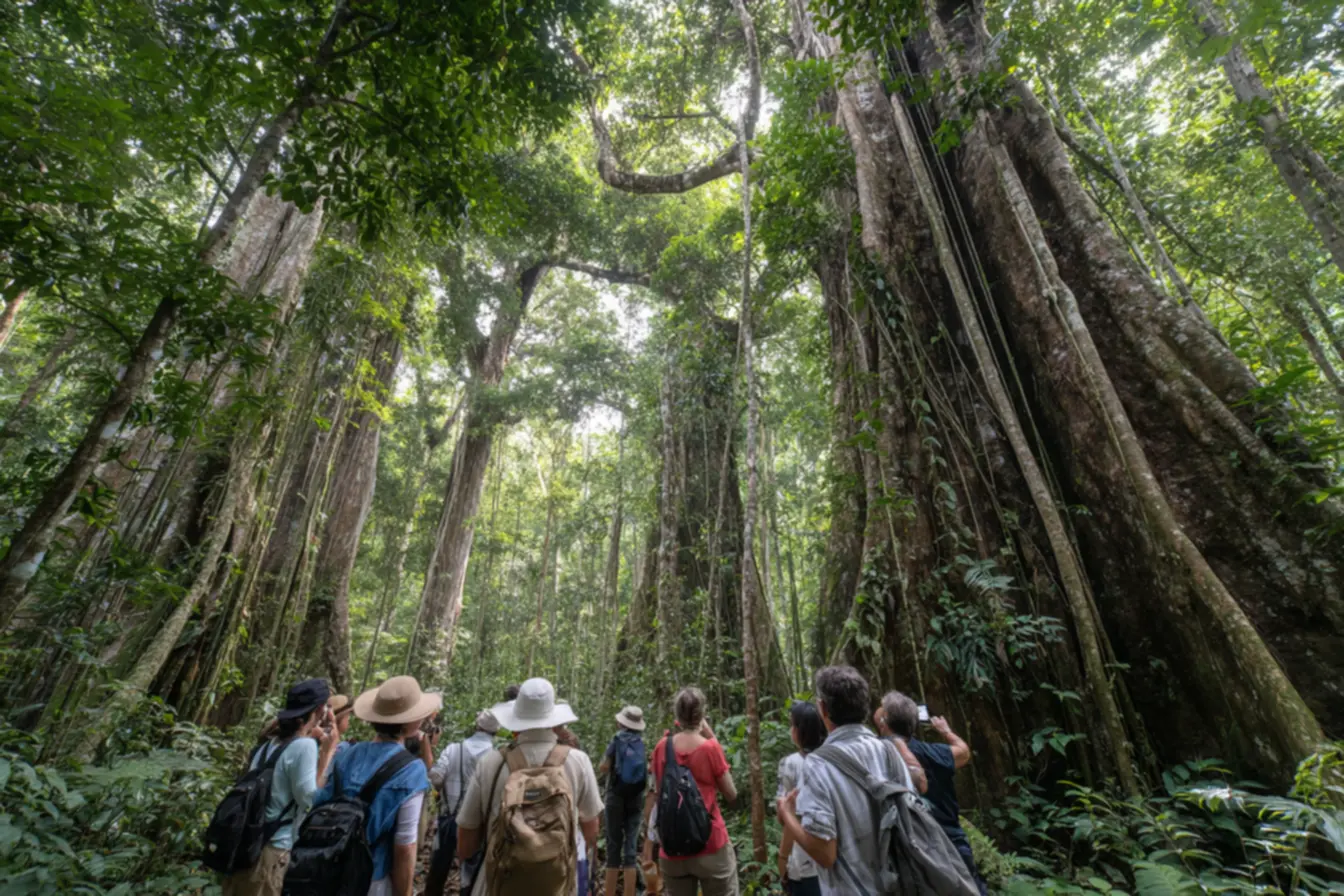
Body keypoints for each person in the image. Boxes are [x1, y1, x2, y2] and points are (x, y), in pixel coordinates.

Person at [456, 678, 603, 896]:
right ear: (554, 719)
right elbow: (591, 832)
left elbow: (465, 845)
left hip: (498, 886)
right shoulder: (578, 762)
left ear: (516, 718)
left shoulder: (491, 764)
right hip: (559, 887)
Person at [776, 665, 913, 896]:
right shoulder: (889, 751)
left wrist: (788, 814)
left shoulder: (817, 765)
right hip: (900, 886)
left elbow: (825, 854)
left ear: (823, 709)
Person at [314, 675, 440, 896]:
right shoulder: (411, 770)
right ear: (411, 722)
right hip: (371, 877)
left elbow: (318, 801)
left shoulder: (345, 752)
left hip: (326, 866)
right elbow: (405, 845)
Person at [223, 679, 338, 896]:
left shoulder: (269, 744)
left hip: (245, 845)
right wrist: (328, 752)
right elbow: (309, 800)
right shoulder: (304, 745)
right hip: (271, 850)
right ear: (318, 710)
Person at [879, 692, 987, 895]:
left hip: (917, 848)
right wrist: (946, 731)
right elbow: (963, 752)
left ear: (885, 723)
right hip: (952, 842)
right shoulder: (936, 753)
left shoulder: (881, 757)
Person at [645, 687, 738, 896]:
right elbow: (731, 794)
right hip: (710, 844)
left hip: (672, 847)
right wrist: (712, 737)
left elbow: (658, 793)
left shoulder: (662, 747)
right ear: (702, 714)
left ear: (677, 716)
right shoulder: (710, 748)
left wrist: (649, 838)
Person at [424, 711, 500, 896]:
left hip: (448, 818)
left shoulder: (453, 749)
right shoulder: (495, 757)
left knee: (439, 867)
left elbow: (436, 778)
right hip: (477, 824)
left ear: (477, 726)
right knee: (470, 872)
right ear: (496, 731)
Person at [775, 702, 825, 896]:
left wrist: (782, 857)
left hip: (805, 857)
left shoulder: (790, 764)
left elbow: (785, 816)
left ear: (798, 731)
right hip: (836, 856)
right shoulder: (832, 759)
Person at [598, 705, 648, 896]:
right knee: (631, 847)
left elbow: (604, 766)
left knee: (613, 845)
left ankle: (610, 893)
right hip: (636, 797)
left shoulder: (617, 739)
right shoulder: (641, 743)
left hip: (615, 795)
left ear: (622, 723)